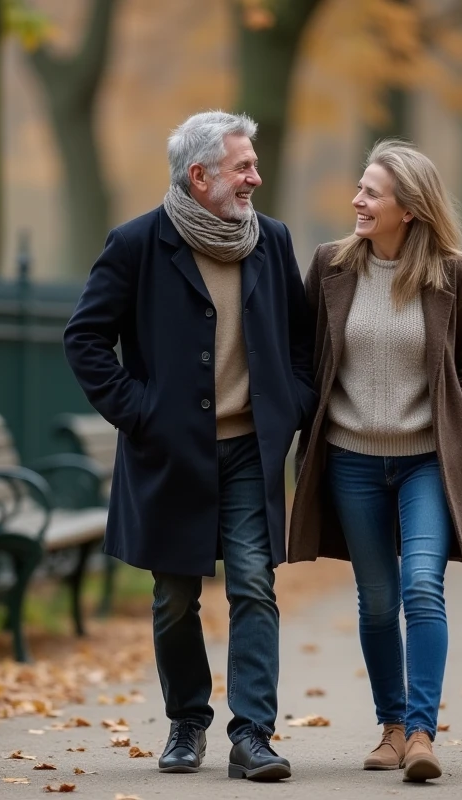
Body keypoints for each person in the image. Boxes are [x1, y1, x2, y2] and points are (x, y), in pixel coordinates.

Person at [63, 111, 316, 782]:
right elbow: (84, 339)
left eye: (254, 164)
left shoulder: (271, 241)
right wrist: (139, 411)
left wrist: (293, 402)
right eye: (242, 167)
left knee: (254, 585)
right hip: (169, 456)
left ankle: (254, 735)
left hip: (248, 452)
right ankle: (187, 721)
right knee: (175, 596)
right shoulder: (138, 243)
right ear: (198, 175)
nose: (255, 177)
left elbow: (301, 340)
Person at [288, 140, 462, 783]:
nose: (357, 200)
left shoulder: (452, 274)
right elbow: (303, 353)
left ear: (408, 208)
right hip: (351, 460)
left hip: (426, 463)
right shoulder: (330, 265)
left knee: (420, 589)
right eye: (359, 188)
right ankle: (388, 727)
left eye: (371, 192)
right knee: (378, 601)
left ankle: (420, 732)